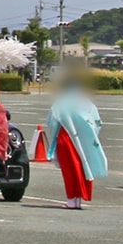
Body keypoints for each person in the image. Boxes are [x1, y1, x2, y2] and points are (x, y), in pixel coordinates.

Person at [45, 80, 108, 209]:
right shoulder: (86, 102)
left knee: (69, 170)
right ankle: (78, 200)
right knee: (83, 168)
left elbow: (52, 121)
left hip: (66, 137)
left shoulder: (61, 102)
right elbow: (97, 122)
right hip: (84, 139)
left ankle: (71, 200)